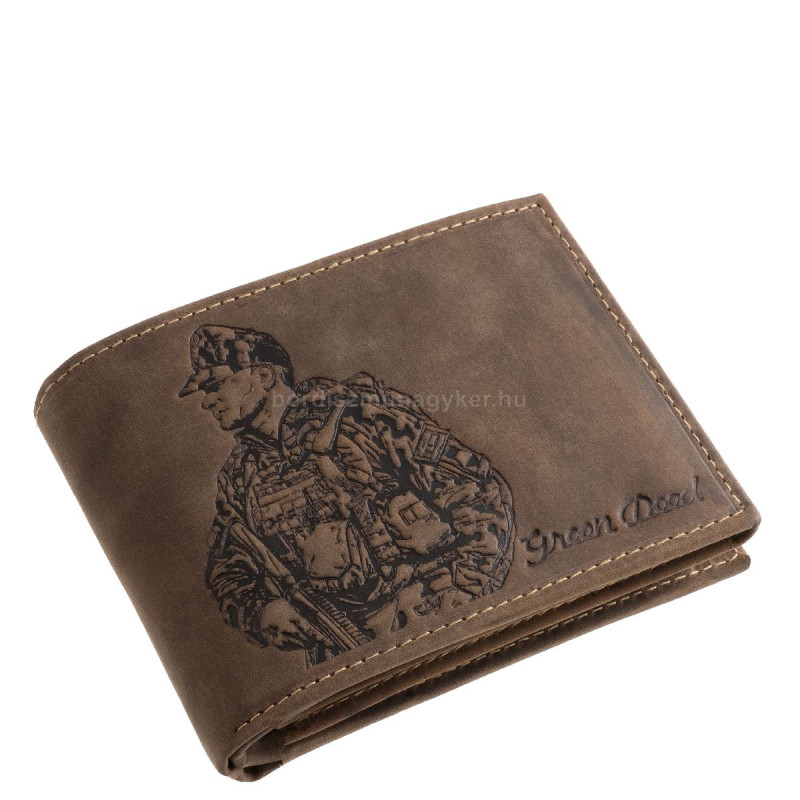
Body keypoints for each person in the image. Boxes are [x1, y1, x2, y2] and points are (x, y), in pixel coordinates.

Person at [180, 325, 514, 665]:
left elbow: (477, 491)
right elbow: (227, 567)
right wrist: (263, 612)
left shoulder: (360, 419)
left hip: (432, 614)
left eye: (216, 385)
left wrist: (468, 598)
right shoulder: (240, 475)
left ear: (264, 375)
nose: (207, 401)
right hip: (343, 653)